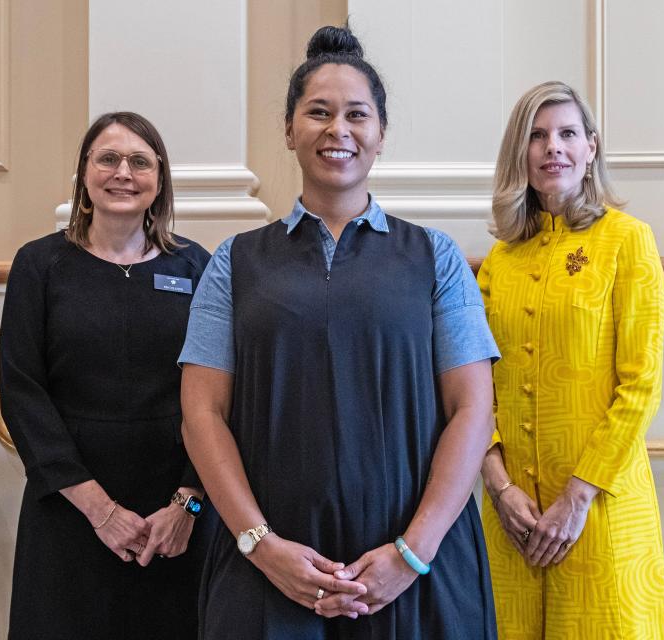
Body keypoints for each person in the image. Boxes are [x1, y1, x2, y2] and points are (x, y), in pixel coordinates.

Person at [179, 25, 499, 639]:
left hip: (417, 569)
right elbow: (202, 415)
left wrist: (410, 554)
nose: (338, 130)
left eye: (357, 114)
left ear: (381, 133)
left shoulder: (435, 257)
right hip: (268, 572)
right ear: (289, 129)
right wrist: (262, 545)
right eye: (318, 113)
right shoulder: (234, 260)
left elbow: (473, 410)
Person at [0, 111, 215, 639]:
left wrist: (187, 503)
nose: (123, 172)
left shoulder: (196, 266)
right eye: (108, 158)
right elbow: (23, 393)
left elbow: (217, 395)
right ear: (84, 174)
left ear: (159, 179)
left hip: (173, 514)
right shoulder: (39, 265)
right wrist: (99, 510)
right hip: (69, 505)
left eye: (140, 161)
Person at [478, 80, 664, 638]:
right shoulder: (499, 260)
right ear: (520, 154)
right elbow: (474, 389)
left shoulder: (628, 241)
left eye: (567, 133)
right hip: (513, 519)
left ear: (591, 148)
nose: (552, 148)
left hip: (599, 510)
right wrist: (498, 485)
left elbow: (641, 385)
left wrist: (577, 495)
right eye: (536, 136)